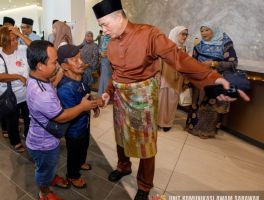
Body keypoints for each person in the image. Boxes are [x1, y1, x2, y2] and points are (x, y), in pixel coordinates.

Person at [92, 1, 249, 199]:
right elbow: (116, 74)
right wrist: (107, 91)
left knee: (145, 144)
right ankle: (124, 167)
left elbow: (179, 59)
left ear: (118, 16)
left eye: (104, 24)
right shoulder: (112, 42)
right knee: (121, 136)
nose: (103, 31)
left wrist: (213, 78)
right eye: (100, 26)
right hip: (120, 97)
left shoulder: (148, 34)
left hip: (142, 98)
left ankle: (144, 184)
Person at [25, 40, 99, 200]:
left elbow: (54, 82)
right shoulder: (42, 94)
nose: (58, 65)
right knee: (44, 171)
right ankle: (44, 192)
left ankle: (51, 177)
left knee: (49, 167)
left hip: (47, 137)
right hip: (43, 144)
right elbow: (62, 116)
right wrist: (82, 107)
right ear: (40, 66)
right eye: (54, 62)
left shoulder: (39, 78)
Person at [56, 44, 102, 188]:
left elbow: (85, 96)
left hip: (84, 124)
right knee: (74, 152)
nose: (81, 62)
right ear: (64, 66)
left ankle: (81, 162)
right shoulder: (65, 88)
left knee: (84, 146)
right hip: (74, 130)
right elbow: (70, 113)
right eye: (74, 60)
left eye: (80, 58)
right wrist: (88, 106)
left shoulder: (80, 79)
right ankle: (72, 175)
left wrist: (92, 105)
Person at [186, 23, 239, 139]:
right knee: (196, 103)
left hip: (215, 80)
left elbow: (233, 63)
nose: (204, 33)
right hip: (200, 79)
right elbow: (193, 60)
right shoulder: (199, 45)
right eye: (202, 31)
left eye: (207, 30)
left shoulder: (225, 44)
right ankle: (192, 127)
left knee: (210, 105)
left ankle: (205, 131)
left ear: (214, 30)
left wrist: (213, 63)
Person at [0, 26, 30, 152]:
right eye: (12, 40)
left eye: (15, 38)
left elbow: (36, 47)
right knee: (12, 121)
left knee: (29, 118)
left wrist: (20, 34)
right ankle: (15, 141)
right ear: (4, 42)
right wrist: (18, 76)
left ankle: (28, 135)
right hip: (11, 96)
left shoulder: (22, 49)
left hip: (26, 94)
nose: (16, 42)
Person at [158, 26, 189, 132]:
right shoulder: (166, 48)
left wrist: (185, 81)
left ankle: (167, 123)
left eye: (186, 34)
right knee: (161, 101)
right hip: (165, 78)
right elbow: (159, 64)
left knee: (172, 102)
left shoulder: (185, 49)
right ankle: (158, 122)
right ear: (176, 34)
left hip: (177, 80)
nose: (185, 37)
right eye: (182, 34)